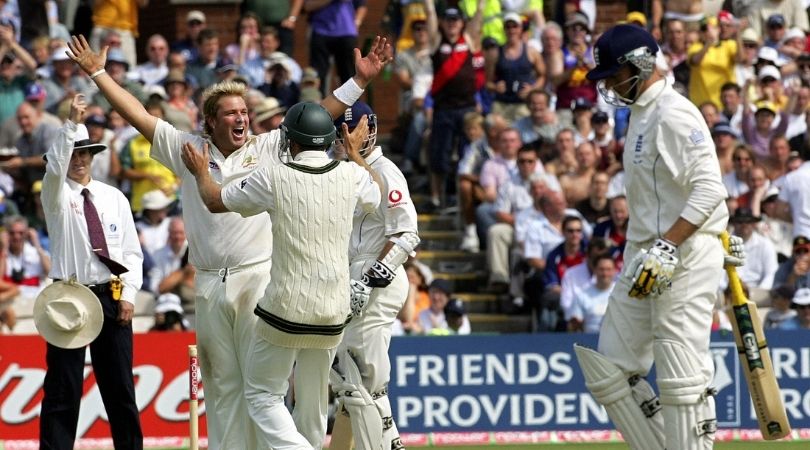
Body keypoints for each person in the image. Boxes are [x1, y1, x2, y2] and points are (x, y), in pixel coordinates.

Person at [66, 33, 392, 450]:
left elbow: (317, 115)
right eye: (230, 113)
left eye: (244, 112)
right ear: (210, 121)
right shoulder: (188, 148)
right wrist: (96, 73)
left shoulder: (269, 147)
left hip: (257, 279)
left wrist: (358, 83)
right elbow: (138, 116)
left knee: (262, 387)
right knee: (221, 383)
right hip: (207, 282)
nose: (241, 119)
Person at [572, 25, 743, 450]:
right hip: (644, 255)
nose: (608, 84)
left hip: (680, 254)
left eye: (613, 74)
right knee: (610, 366)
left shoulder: (675, 112)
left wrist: (671, 244)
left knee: (680, 370)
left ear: (641, 64)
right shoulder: (640, 115)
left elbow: (709, 189)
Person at [180, 102, 381, 449]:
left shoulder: (273, 175)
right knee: (314, 401)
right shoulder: (353, 175)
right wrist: (353, 154)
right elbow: (375, 196)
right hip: (334, 312)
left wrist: (200, 172)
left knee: (261, 395)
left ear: (290, 140)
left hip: (284, 310)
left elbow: (214, 201)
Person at [39, 94, 143, 449]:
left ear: (93, 156)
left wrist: (128, 294)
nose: (79, 160)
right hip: (68, 296)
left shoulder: (114, 197)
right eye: (73, 153)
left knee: (120, 390)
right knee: (62, 389)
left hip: (110, 295)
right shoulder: (55, 196)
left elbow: (130, 251)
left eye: (84, 153)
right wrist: (69, 123)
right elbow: (54, 168)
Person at [329, 102, 420, 450]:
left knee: (364, 381)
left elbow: (406, 235)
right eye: (343, 131)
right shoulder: (340, 171)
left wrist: (367, 281)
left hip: (375, 280)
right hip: (346, 279)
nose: (349, 138)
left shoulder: (385, 170)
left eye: (356, 130)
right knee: (346, 378)